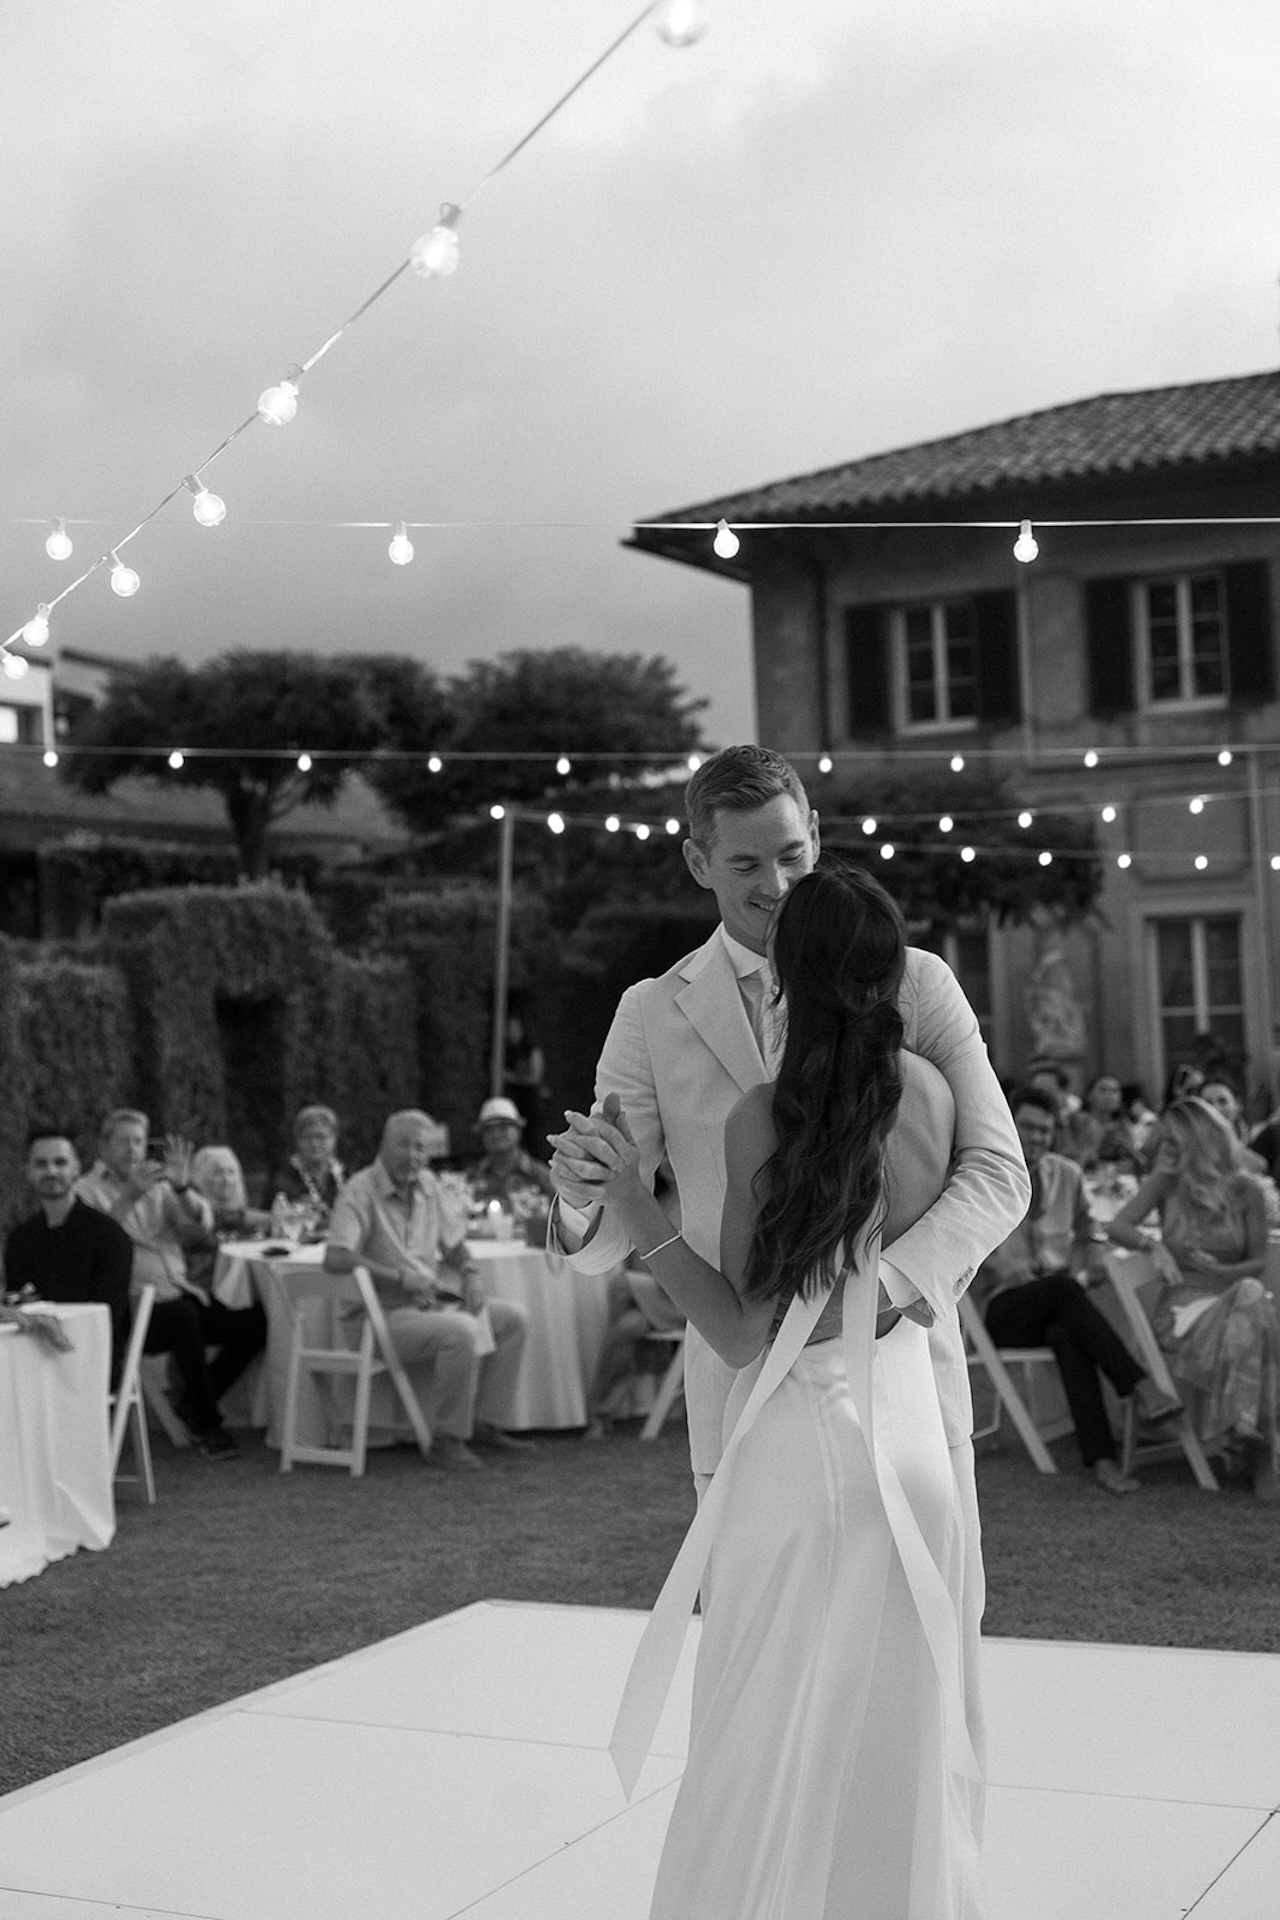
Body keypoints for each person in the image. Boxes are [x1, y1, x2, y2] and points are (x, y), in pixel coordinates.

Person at [558, 864, 993, 1917]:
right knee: (898, 1729)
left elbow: (743, 1328)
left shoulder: (767, 1114)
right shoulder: (928, 1095)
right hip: (911, 1446)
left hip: (802, 1454)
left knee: (759, 1735)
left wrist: (635, 1205)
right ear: (886, 974)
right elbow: (975, 1187)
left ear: (791, 978)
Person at [550, 743, 1030, 1497]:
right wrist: (582, 1192)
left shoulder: (916, 982)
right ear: (698, 863)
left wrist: (882, 1291)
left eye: (791, 854)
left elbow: (999, 1172)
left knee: (918, 1609)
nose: (775, 886)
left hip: (902, 1384)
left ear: (814, 829)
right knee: (759, 1613)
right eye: (745, 866)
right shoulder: (649, 1012)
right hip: (743, 1393)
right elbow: (611, 1231)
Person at [977, 1088, 1173, 1495]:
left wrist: (1097, 1253)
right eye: (1027, 1126)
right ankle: (1137, 1384)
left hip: (1054, 1301)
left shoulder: (1067, 1174)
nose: (1035, 1137)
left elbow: (1091, 1229)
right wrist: (998, 1267)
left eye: (1044, 1131)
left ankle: (1102, 1460)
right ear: (1006, 1121)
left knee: (1066, 1331)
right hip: (1002, 1309)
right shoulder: (979, 1175)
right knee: (1064, 1289)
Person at [324, 1110, 534, 1470]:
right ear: (383, 1145)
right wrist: (395, 1276)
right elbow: (337, 1256)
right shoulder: (359, 1190)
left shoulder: (428, 1185)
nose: (413, 1156)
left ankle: (484, 1424)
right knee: (463, 1330)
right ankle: (447, 1440)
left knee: (513, 1319)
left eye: (420, 1148)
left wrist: (471, 1273)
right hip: (376, 1318)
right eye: (403, 1145)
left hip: (426, 1307)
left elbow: (454, 1245)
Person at [1106, 1097, 1280, 1497]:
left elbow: (1256, 1262)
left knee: (1252, 1297)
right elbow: (1118, 1226)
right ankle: (1256, 1445)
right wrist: (1153, 1246)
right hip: (1183, 1312)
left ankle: (1248, 1433)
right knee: (1258, 1311)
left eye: (1172, 1139)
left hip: (1234, 1299)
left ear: (1198, 1141)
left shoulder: (1247, 1190)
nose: (1163, 1147)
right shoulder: (1165, 1184)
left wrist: (1223, 1273)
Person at [76, 1109, 264, 1459]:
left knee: (254, 1321)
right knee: (183, 1317)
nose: (133, 1151)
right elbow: (94, 1248)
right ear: (104, 1147)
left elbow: (195, 1230)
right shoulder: (86, 1191)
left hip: (180, 1292)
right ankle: (209, 1424)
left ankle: (191, 1403)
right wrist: (129, 1197)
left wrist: (181, 1187)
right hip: (129, 1307)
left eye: (139, 1142)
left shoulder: (159, 1187)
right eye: (123, 1142)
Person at [3, 1127, 134, 1389]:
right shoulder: (20, 1239)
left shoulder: (108, 1235)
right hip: (29, 1356)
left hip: (90, 1359)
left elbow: (108, 1314)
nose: (51, 1171)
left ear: (76, 1168)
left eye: (60, 1162)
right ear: (28, 1171)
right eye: (41, 1164)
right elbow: (19, 1302)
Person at [183, 1146, 274, 1295]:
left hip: (240, 1286)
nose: (226, 1180)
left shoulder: (240, 1212)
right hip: (206, 1289)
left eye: (231, 1172)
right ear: (201, 1177)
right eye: (218, 1173)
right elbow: (227, 1218)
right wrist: (275, 1218)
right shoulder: (194, 1210)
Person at [468, 1096, 554, 1207]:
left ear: (518, 1130)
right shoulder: (472, 1178)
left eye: (503, 1127)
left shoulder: (541, 1177)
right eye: (488, 1129)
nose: (496, 1134)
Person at [275, 1105, 345, 1227]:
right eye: (308, 1137)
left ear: (334, 1139)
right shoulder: (283, 1179)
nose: (314, 1143)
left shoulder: (346, 1176)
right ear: (297, 1140)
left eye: (321, 1137)